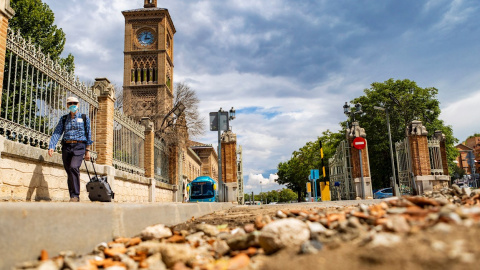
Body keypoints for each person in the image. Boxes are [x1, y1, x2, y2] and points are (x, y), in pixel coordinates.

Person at [48, 97, 93, 202]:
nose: (73, 105)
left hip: (79, 146)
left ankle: (75, 195)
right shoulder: (64, 119)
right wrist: (51, 146)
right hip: (66, 147)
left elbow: (88, 134)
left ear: (78, 104)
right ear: (67, 105)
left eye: (75, 103)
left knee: (73, 167)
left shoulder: (84, 118)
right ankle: (72, 195)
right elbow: (57, 132)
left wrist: (87, 151)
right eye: (70, 103)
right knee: (69, 171)